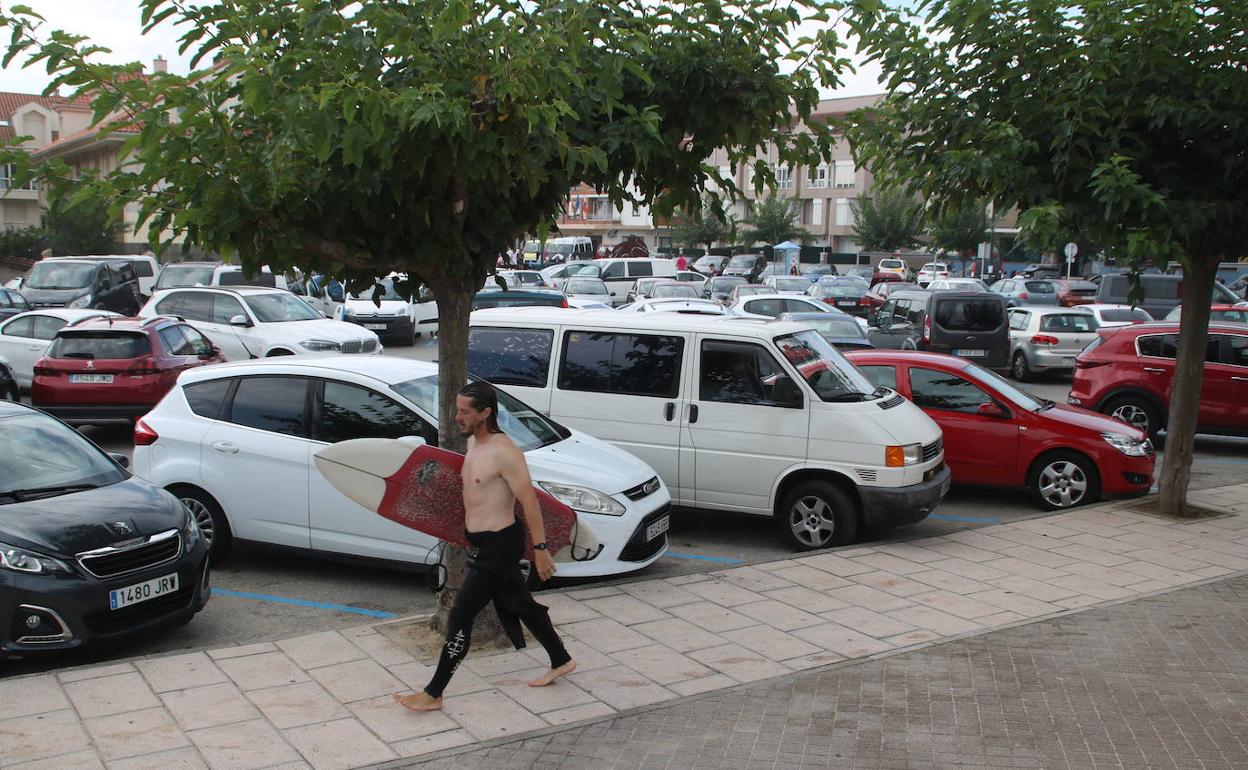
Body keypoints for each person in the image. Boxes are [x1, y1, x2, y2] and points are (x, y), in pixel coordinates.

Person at [394, 381, 575, 713]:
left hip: (499, 546)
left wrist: (540, 548)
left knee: (462, 613)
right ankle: (561, 659)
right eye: (457, 409)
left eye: (465, 412)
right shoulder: (473, 445)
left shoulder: (504, 452)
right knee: (521, 604)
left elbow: (529, 501)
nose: (457, 417)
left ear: (485, 413)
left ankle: (434, 693)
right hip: (483, 543)